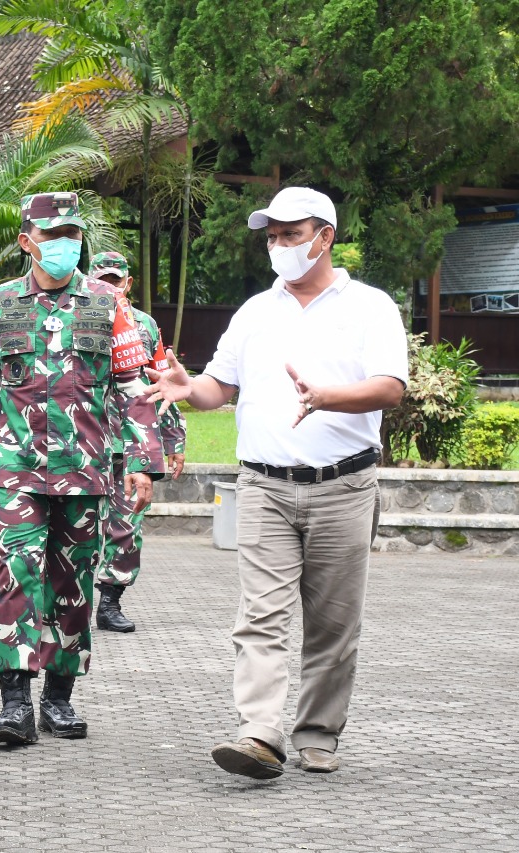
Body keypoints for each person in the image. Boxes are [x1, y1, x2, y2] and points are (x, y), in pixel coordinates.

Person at [144, 186, 407, 779]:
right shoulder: (255, 311)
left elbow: (391, 386)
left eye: (291, 235)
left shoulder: (370, 306)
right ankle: (259, 734)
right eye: (272, 237)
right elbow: (221, 386)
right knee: (260, 616)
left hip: (344, 487)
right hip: (263, 488)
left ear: (324, 237)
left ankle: (318, 734)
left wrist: (327, 398)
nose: (280, 246)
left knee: (333, 624)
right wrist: (191, 390)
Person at [0, 192, 163, 746]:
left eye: (72, 235)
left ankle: (58, 698)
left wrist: (143, 462)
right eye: (52, 237)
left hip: (85, 471)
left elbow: (131, 387)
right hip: (17, 472)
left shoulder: (108, 303)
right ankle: (13, 704)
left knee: (72, 585)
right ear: (27, 241)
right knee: (17, 578)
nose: (64, 246)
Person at [86, 251, 188, 633]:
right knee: (76, 527)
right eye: (102, 279)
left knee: (125, 527)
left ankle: (110, 601)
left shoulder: (146, 327)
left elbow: (165, 388)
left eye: (115, 280)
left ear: (127, 283)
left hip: (131, 445)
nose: (109, 287)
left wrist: (174, 440)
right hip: (85, 442)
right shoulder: (77, 317)